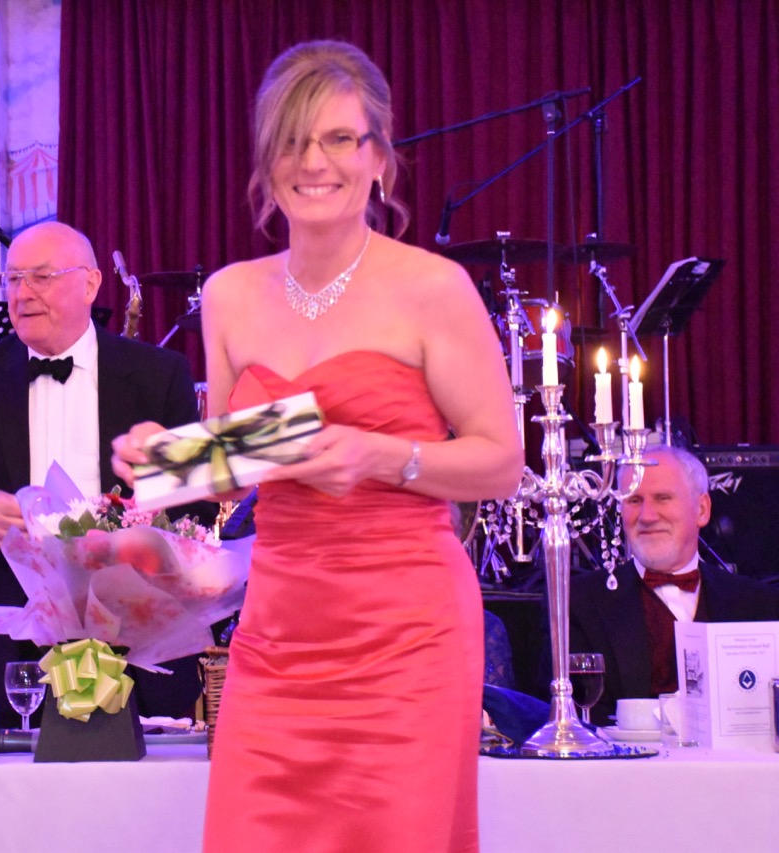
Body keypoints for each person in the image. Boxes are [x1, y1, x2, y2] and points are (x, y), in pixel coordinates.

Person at [113, 40, 522, 851]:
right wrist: (166, 458)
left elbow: (502, 463)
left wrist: (386, 456)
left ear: (379, 158)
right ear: (267, 163)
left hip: (408, 633)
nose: (313, 162)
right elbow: (242, 467)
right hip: (278, 638)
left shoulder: (430, 288)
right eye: (293, 141)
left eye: (338, 139)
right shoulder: (231, 294)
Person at [0, 220, 205, 725]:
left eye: (41, 277)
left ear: (90, 284)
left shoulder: (159, 374)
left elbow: (197, 502)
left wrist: (154, 501)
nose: (22, 293)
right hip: (12, 646)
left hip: (139, 632)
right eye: (12, 279)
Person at [570, 445, 779, 725]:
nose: (647, 516)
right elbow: (573, 720)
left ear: (702, 510)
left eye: (663, 498)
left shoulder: (761, 606)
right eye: (634, 500)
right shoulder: (578, 603)